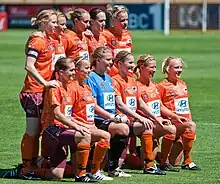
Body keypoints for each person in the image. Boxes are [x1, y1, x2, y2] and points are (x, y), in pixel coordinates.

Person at [41, 58, 97, 182]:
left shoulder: (70, 87)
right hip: (52, 129)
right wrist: (77, 127)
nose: (73, 73)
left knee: (57, 175)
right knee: (84, 135)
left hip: (64, 129)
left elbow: (69, 115)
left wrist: (79, 124)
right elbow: (57, 115)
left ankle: (82, 169)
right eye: (71, 70)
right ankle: (81, 175)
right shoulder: (54, 87)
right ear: (61, 72)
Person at [19, 9, 59, 179]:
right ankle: (26, 168)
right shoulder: (38, 40)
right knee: (32, 131)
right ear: (43, 22)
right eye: (53, 22)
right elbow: (29, 65)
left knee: (39, 131)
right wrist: (44, 82)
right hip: (34, 91)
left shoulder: (45, 39)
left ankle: (34, 163)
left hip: (42, 91)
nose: (56, 25)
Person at [112, 50, 166, 175]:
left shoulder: (131, 80)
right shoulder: (115, 80)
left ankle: (149, 165)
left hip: (131, 121)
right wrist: (140, 118)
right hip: (119, 120)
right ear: (120, 64)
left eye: (132, 62)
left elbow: (140, 103)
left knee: (148, 126)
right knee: (145, 125)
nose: (132, 65)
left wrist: (155, 118)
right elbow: (120, 105)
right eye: (129, 62)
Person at [85, 46, 131, 177]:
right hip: (97, 119)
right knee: (122, 129)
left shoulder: (109, 79)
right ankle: (104, 168)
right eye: (108, 59)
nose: (111, 62)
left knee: (125, 127)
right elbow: (93, 106)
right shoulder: (91, 77)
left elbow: (115, 103)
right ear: (98, 60)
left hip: (109, 119)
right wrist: (113, 117)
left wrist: (120, 115)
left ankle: (112, 167)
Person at [134, 54, 180, 171]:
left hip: (155, 121)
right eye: (151, 67)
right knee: (171, 129)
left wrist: (174, 116)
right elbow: (140, 106)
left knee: (172, 128)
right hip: (143, 122)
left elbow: (160, 106)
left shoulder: (154, 85)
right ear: (142, 67)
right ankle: (158, 161)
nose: (154, 70)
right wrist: (156, 119)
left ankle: (160, 160)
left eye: (155, 67)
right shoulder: (136, 86)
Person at [70, 56, 114, 181]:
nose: (89, 71)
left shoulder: (86, 87)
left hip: (88, 125)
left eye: (89, 68)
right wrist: (80, 125)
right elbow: (68, 114)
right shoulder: (72, 88)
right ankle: (92, 172)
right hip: (77, 126)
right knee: (105, 136)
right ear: (77, 70)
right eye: (86, 68)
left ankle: (91, 171)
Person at [157, 56, 200, 170]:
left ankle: (160, 157)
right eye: (176, 67)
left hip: (183, 126)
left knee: (174, 162)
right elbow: (159, 107)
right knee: (191, 126)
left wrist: (190, 123)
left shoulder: (183, 84)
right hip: (171, 124)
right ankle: (187, 161)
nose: (179, 70)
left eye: (181, 67)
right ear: (167, 69)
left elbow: (186, 106)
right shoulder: (161, 86)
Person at [102, 5, 132, 77]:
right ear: (113, 20)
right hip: (113, 77)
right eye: (122, 20)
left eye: (127, 20)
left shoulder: (128, 35)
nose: (125, 23)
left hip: (127, 76)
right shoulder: (105, 35)